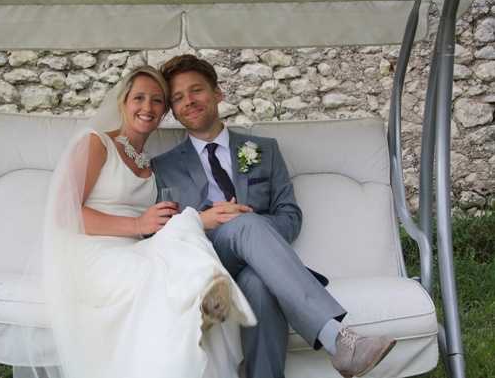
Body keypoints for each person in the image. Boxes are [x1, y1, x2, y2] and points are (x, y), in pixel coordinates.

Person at [152, 54, 396, 378]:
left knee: (258, 282)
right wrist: (209, 219)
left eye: (196, 90)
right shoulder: (163, 166)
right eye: (178, 98)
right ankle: (338, 338)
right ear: (173, 109)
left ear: (218, 93)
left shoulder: (264, 150)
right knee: (244, 226)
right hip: (203, 260)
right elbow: (162, 231)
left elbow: (290, 216)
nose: (189, 101)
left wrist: (248, 224)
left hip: (254, 264)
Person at [39, 65, 256, 378]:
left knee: (181, 227)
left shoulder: (151, 166)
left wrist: (164, 224)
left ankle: (208, 296)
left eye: (157, 101)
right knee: (166, 271)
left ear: (164, 112)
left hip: (135, 249)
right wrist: (138, 226)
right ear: (123, 102)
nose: (147, 107)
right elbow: (64, 215)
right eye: (139, 98)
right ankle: (201, 300)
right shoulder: (96, 143)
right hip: (92, 254)